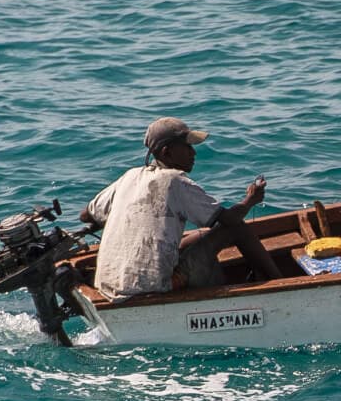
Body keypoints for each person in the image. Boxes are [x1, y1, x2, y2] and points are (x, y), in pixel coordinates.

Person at [80, 117, 281, 301]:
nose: (193, 153)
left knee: (194, 236)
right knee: (238, 228)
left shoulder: (129, 177)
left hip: (106, 288)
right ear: (167, 152)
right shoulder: (176, 181)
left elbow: (85, 215)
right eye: (187, 147)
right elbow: (229, 220)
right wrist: (250, 200)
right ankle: (279, 285)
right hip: (154, 287)